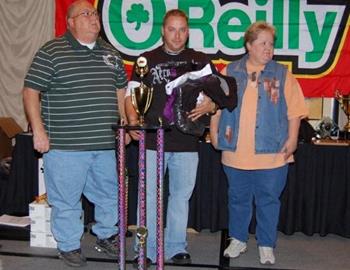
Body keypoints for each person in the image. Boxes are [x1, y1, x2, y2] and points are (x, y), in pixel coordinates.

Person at [22, 0, 128, 267]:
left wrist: (124, 123)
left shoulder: (111, 53)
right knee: (66, 200)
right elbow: (30, 91)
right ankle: (68, 245)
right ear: (70, 22)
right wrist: (38, 131)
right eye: (86, 14)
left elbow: (120, 91)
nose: (94, 18)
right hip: (65, 146)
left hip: (104, 144)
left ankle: (106, 236)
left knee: (110, 194)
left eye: (95, 14)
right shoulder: (51, 51)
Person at [125, 9, 219, 265]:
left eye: (182, 30)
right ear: (162, 31)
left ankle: (176, 246)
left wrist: (211, 106)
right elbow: (131, 95)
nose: (177, 35)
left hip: (188, 141)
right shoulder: (146, 59)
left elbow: (219, 94)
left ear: (188, 32)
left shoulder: (200, 60)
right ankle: (144, 249)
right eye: (171, 29)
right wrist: (133, 121)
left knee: (180, 196)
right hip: (153, 140)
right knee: (148, 198)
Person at [210, 21, 308, 265]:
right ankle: (238, 239)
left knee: (268, 200)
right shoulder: (229, 72)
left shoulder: (282, 74)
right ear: (249, 46)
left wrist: (293, 138)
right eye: (263, 43)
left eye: (271, 44)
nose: (269, 49)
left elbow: (295, 110)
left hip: (272, 152)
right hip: (235, 151)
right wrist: (213, 132)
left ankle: (266, 244)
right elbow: (215, 106)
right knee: (238, 198)